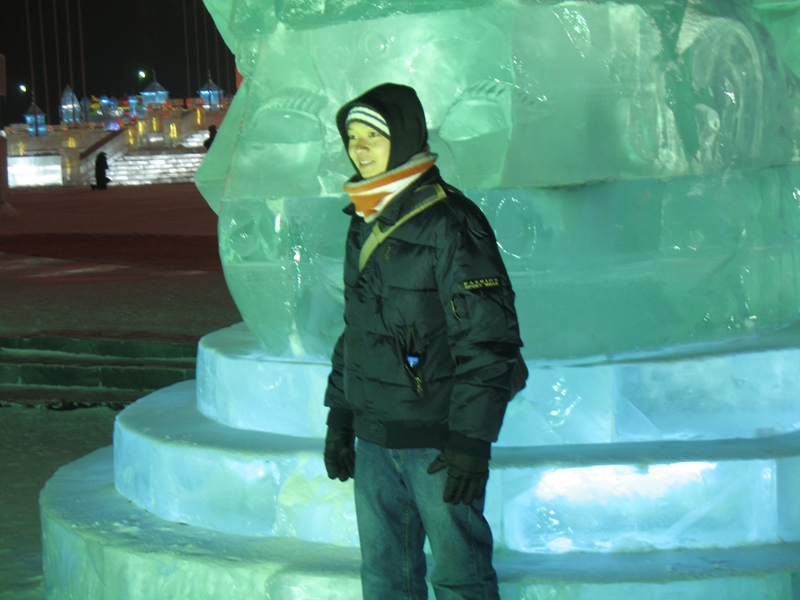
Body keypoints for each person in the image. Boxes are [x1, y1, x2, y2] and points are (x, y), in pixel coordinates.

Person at [323, 82, 525, 599]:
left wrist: (470, 442)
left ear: (406, 137)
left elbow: (489, 340)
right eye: (352, 135)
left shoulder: (451, 222)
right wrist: (341, 417)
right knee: (386, 580)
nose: (359, 147)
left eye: (374, 135)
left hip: (438, 442)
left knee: (461, 579)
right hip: (375, 439)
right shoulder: (364, 219)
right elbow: (358, 328)